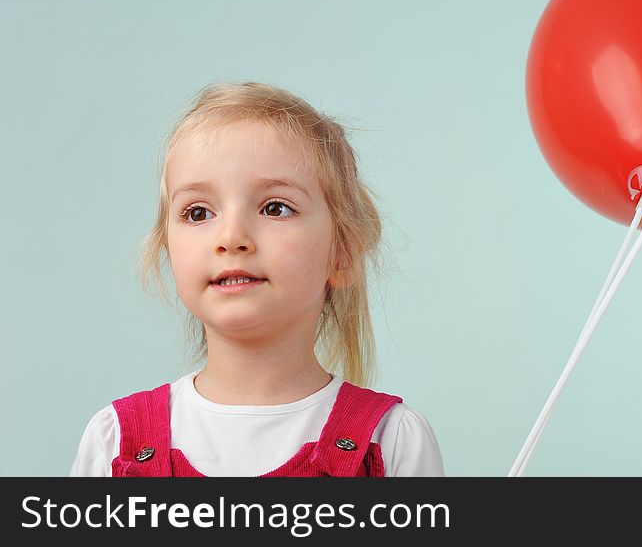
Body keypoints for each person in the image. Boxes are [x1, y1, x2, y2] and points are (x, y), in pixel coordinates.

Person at [69, 82, 444, 477]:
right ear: (167, 249)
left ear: (343, 253)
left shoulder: (391, 441)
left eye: (275, 207)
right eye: (198, 213)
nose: (231, 237)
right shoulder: (113, 445)